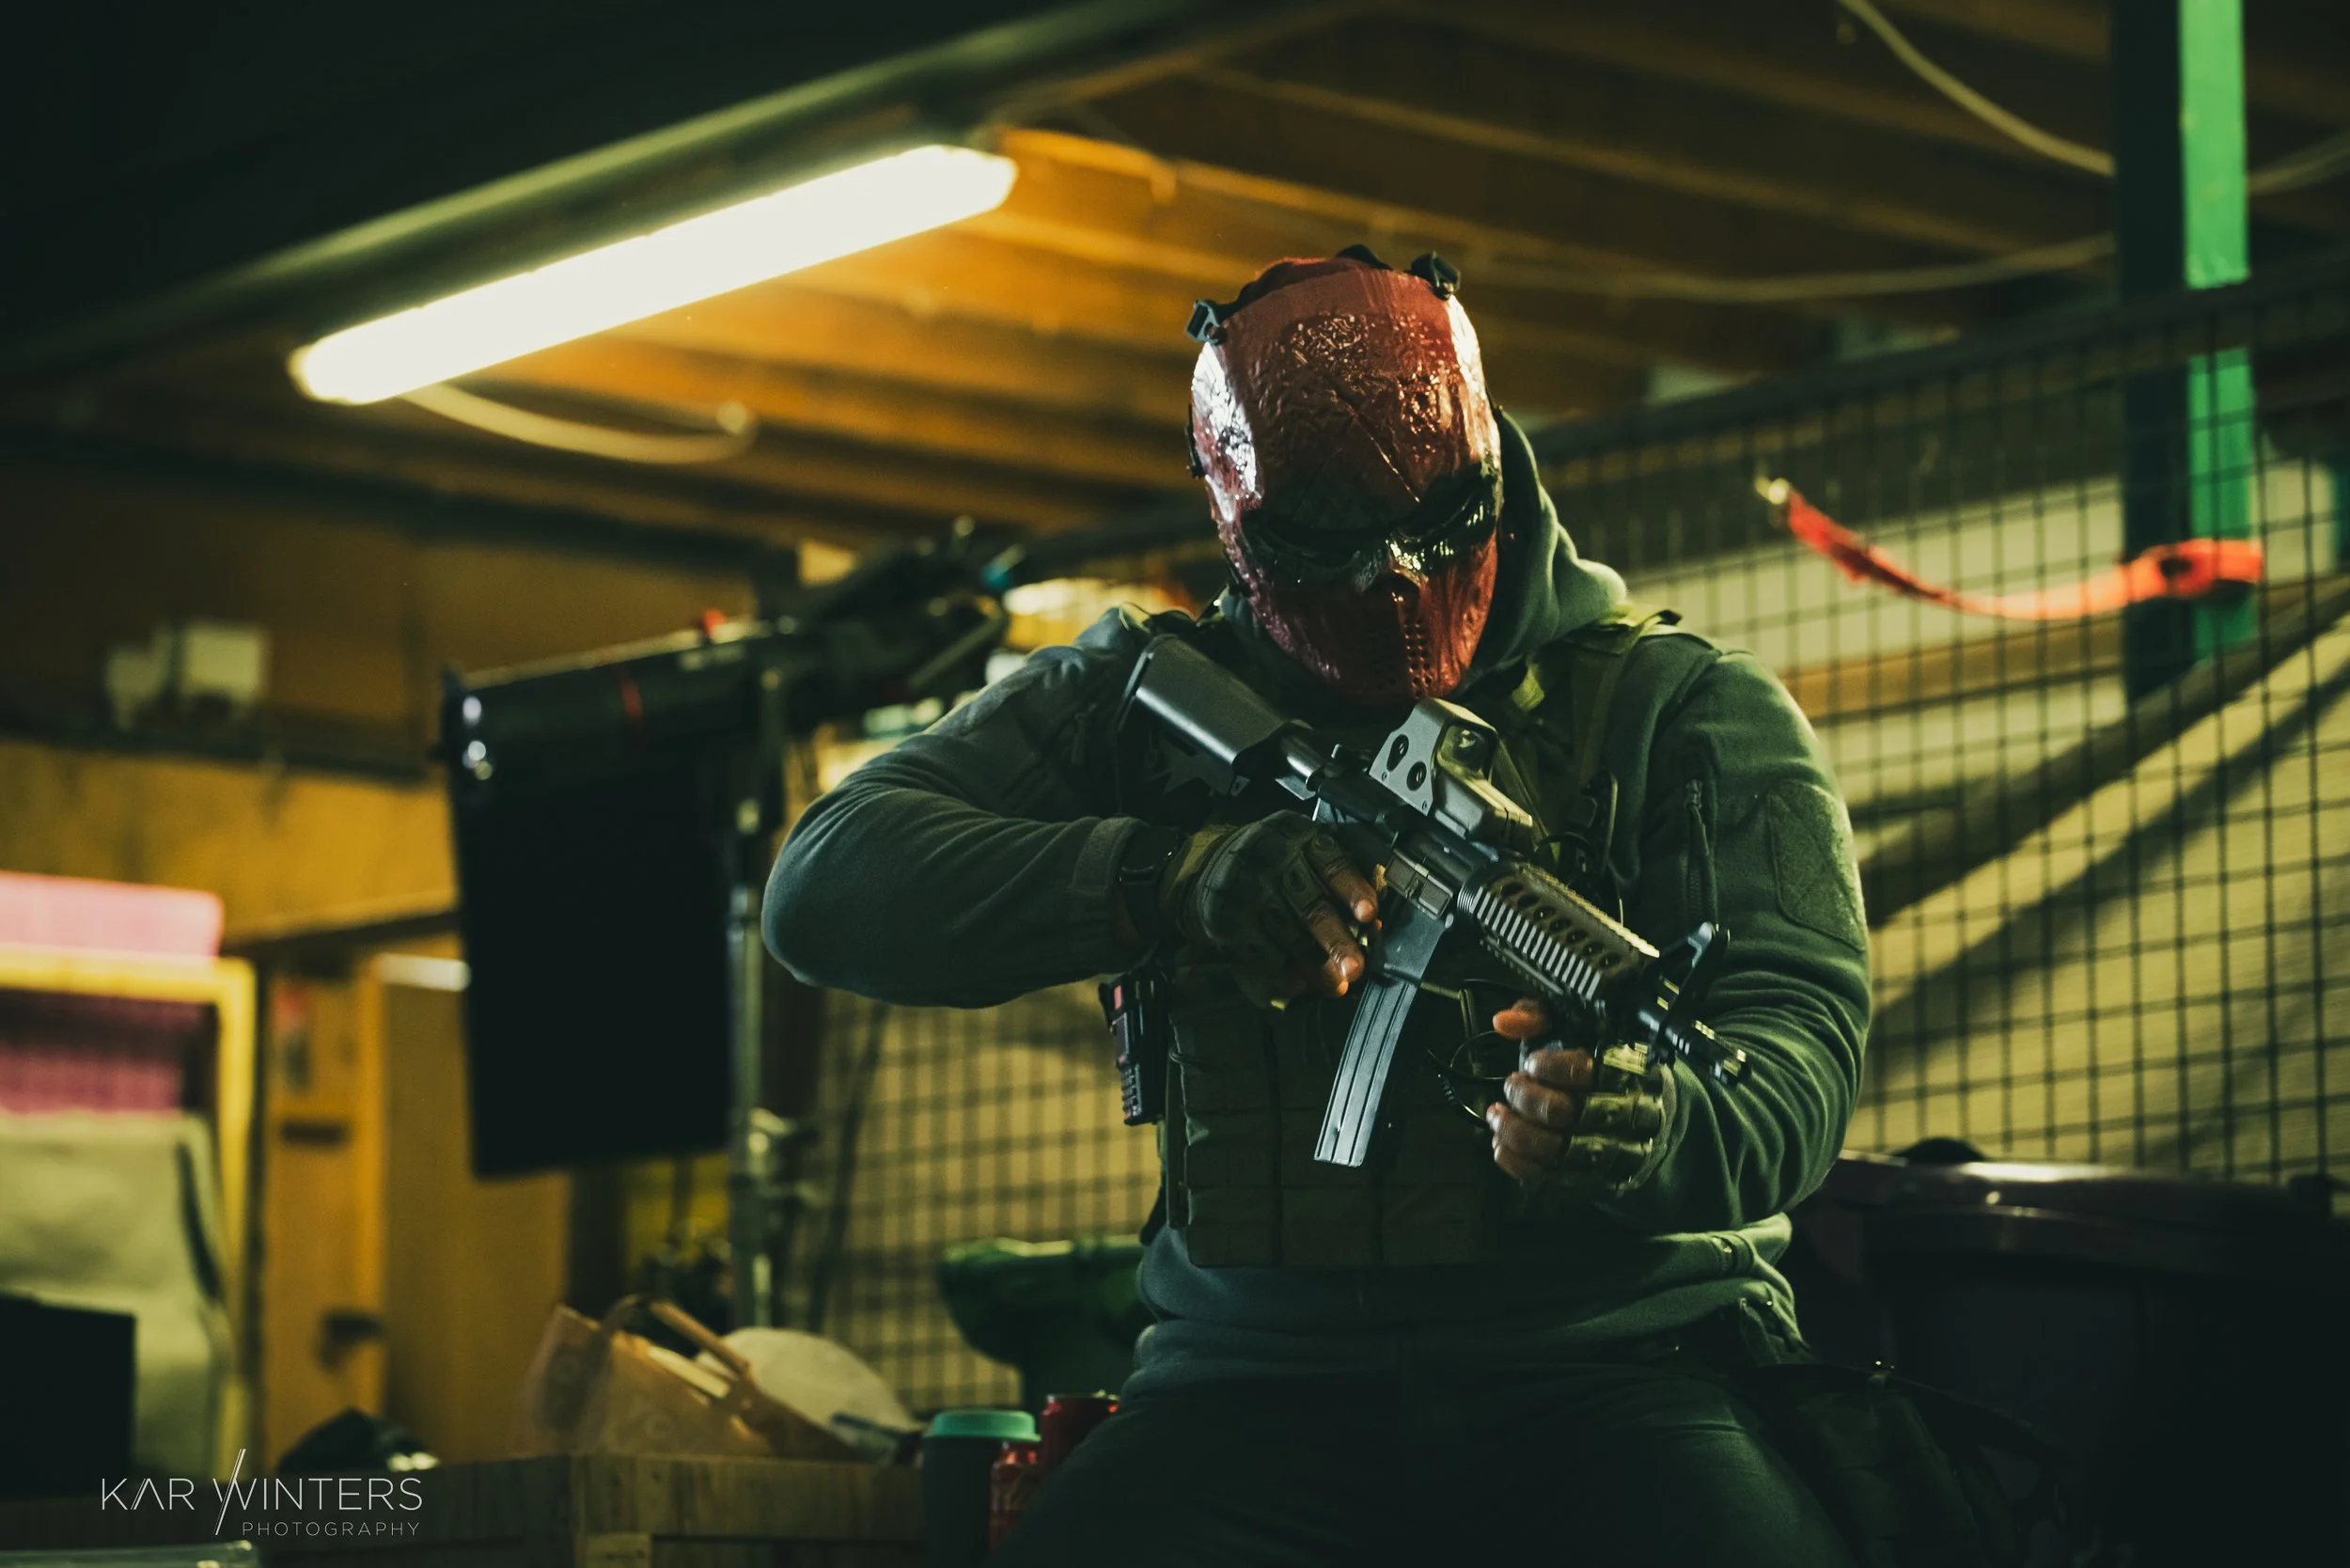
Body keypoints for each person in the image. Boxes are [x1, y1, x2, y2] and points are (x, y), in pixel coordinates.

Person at [765, 251, 1880, 1565]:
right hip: (1251, 1388)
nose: (1397, 579)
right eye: (1330, 546)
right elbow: (824, 881)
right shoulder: (1153, 697)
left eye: (1441, 518)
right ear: (1239, 526)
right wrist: (1162, 882)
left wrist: (1653, 1125)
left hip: (1618, 1368)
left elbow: (1794, 1057)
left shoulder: (1683, 712)